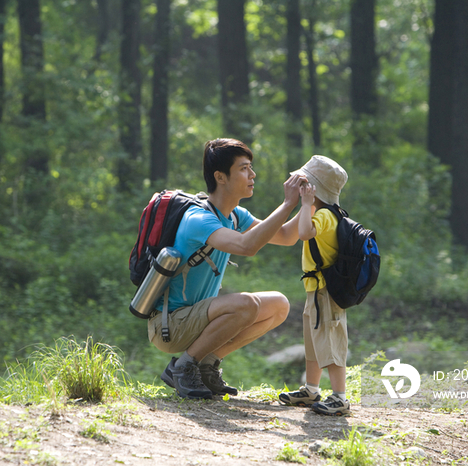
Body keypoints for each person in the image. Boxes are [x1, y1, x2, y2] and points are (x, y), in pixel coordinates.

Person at [149, 138, 306, 400]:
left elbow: (287, 236)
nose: (252, 174)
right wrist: (287, 204)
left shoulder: (235, 215)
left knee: (279, 304)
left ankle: (206, 364)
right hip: (170, 325)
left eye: (250, 167)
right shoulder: (198, 219)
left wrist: (311, 200)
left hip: (197, 319)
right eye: (244, 168)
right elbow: (246, 246)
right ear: (220, 177)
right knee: (246, 304)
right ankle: (183, 367)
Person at [277, 155, 351, 416]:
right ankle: (311, 389)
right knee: (313, 342)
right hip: (315, 288)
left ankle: (340, 397)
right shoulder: (318, 212)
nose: (301, 188)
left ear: (316, 189)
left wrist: (306, 204)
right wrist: (307, 205)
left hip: (326, 291)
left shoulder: (327, 216)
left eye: (307, 184)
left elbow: (304, 233)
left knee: (330, 341)